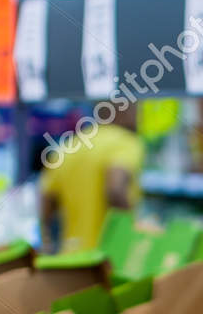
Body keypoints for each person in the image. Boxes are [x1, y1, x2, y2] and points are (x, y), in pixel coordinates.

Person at [38, 103, 143, 253]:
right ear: (123, 109)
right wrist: (132, 230)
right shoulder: (125, 143)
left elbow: (47, 199)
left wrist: (47, 242)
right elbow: (115, 189)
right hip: (107, 260)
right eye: (136, 110)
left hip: (70, 256)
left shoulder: (70, 145)